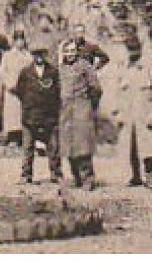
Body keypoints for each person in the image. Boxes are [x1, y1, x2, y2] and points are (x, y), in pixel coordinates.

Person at [111, 38, 152, 187]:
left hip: (144, 111)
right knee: (131, 146)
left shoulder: (149, 66)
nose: (133, 52)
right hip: (127, 112)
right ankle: (136, 176)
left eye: (135, 49)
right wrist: (117, 111)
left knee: (148, 145)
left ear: (140, 49)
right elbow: (117, 91)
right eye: (130, 49)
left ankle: (149, 176)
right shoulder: (122, 67)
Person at [58, 38, 104, 190]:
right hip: (66, 110)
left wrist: (90, 105)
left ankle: (87, 178)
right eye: (67, 51)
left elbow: (96, 88)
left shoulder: (85, 66)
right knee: (68, 145)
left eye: (72, 51)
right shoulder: (61, 68)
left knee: (82, 145)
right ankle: (76, 176)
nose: (70, 54)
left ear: (77, 52)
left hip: (81, 107)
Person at [15, 46, 62, 185]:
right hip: (30, 115)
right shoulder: (25, 72)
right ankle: (26, 175)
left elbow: (59, 91)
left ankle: (56, 174)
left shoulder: (53, 72)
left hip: (49, 116)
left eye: (41, 54)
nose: (39, 57)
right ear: (32, 56)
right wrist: (30, 103)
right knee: (28, 147)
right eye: (36, 54)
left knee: (53, 148)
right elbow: (19, 91)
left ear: (46, 55)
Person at [0, 29, 33, 145]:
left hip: (24, 89)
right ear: (13, 41)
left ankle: (22, 138)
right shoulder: (7, 55)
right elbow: (3, 72)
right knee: (11, 113)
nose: (20, 43)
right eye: (17, 40)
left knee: (22, 114)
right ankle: (12, 138)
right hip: (11, 88)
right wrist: (9, 85)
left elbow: (31, 71)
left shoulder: (28, 56)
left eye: (21, 40)